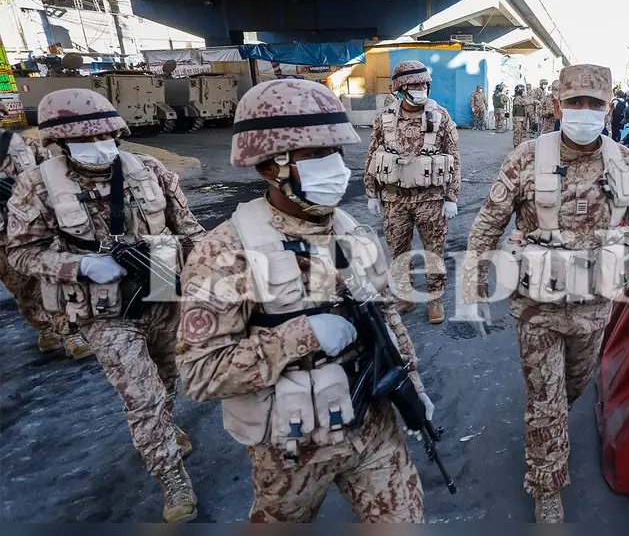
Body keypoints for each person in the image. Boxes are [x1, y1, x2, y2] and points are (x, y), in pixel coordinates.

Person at [177, 79, 428, 523]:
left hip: (374, 427)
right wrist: (301, 335)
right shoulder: (226, 251)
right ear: (269, 166)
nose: (334, 166)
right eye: (314, 155)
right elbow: (200, 375)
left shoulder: (353, 232)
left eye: (335, 151)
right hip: (290, 445)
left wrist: (414, 388)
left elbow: (388, 319)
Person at [461, 63, 629, 522]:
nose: (584, 112)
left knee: (570, 390)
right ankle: (546, 486)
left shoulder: (624, 162)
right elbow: (488, 222)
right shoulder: (526, 157)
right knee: (546, 399)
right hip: (537, 308)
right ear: (558, 105)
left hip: (595, 309)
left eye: (594, 104)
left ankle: (548, 431)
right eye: (575, 102)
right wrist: (473, 285)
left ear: (608, 108)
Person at [6, 88, 206, 522]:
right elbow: (21, 253)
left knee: (168, 378)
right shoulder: (37, 185)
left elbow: (191, 233)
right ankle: (171, 476)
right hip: (105, 313)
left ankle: (163, 430)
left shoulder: (149, 169)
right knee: (142, 396)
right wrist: (79, 265)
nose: (99, 148)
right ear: (60, 144)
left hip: (162, 295)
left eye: (107, 137)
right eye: (84, 141)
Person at [363, 60, 461, 324]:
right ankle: (404, 296)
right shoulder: (385, 119)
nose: (420, 89)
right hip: (394, 199)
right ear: (400, 87)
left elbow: (454, 158)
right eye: (414, 84)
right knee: (398, 249)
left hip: (430, 198)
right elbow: (372, 154)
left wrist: (451, 197)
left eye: (423, 84)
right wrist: (371, 191)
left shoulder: (440, 116)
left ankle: (434, 299)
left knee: (434, 251)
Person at [0, 122, 91, 359]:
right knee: (21, 287)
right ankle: (44, 327)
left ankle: (72, 332)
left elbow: (57, 179)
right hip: (2, 235)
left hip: (38, 228)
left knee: (54, 280)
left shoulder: (27, 146)